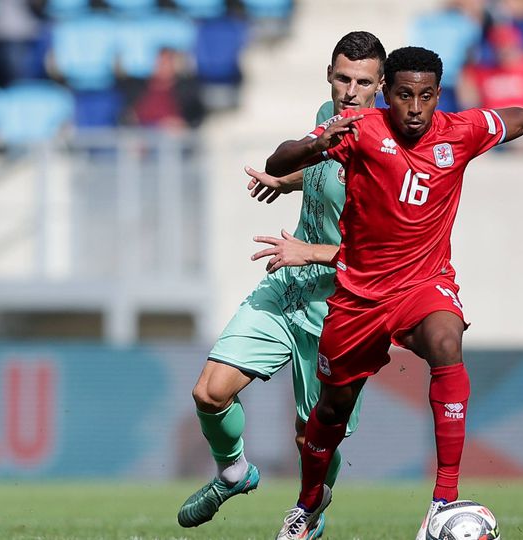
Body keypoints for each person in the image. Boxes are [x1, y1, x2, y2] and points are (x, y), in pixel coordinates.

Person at [253, 46, 523, 540]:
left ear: (438, 95)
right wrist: (317, 144)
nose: (415, 108)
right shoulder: (359, 131)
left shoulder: (459, 132)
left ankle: (443, 501)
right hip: (358, 296)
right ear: (386, 95)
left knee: (446, 341)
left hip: (424, 283)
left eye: (425, 96)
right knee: (330, 411)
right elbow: (278, 159)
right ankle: (308, 504)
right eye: (403, 95)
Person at [175, 31, 386, 540]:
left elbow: (381, 256)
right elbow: (323, 175)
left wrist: (306, 251)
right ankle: (233, 473)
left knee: (312, 437)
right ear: (329, 77)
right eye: (342, 79)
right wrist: (286, 181)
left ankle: (308, 514)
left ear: (380, 86)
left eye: (363, 82)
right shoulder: (325, 117)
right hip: (288, 287)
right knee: (210, 392)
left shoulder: (389, 153)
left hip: (342, 308)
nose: (350, 91)